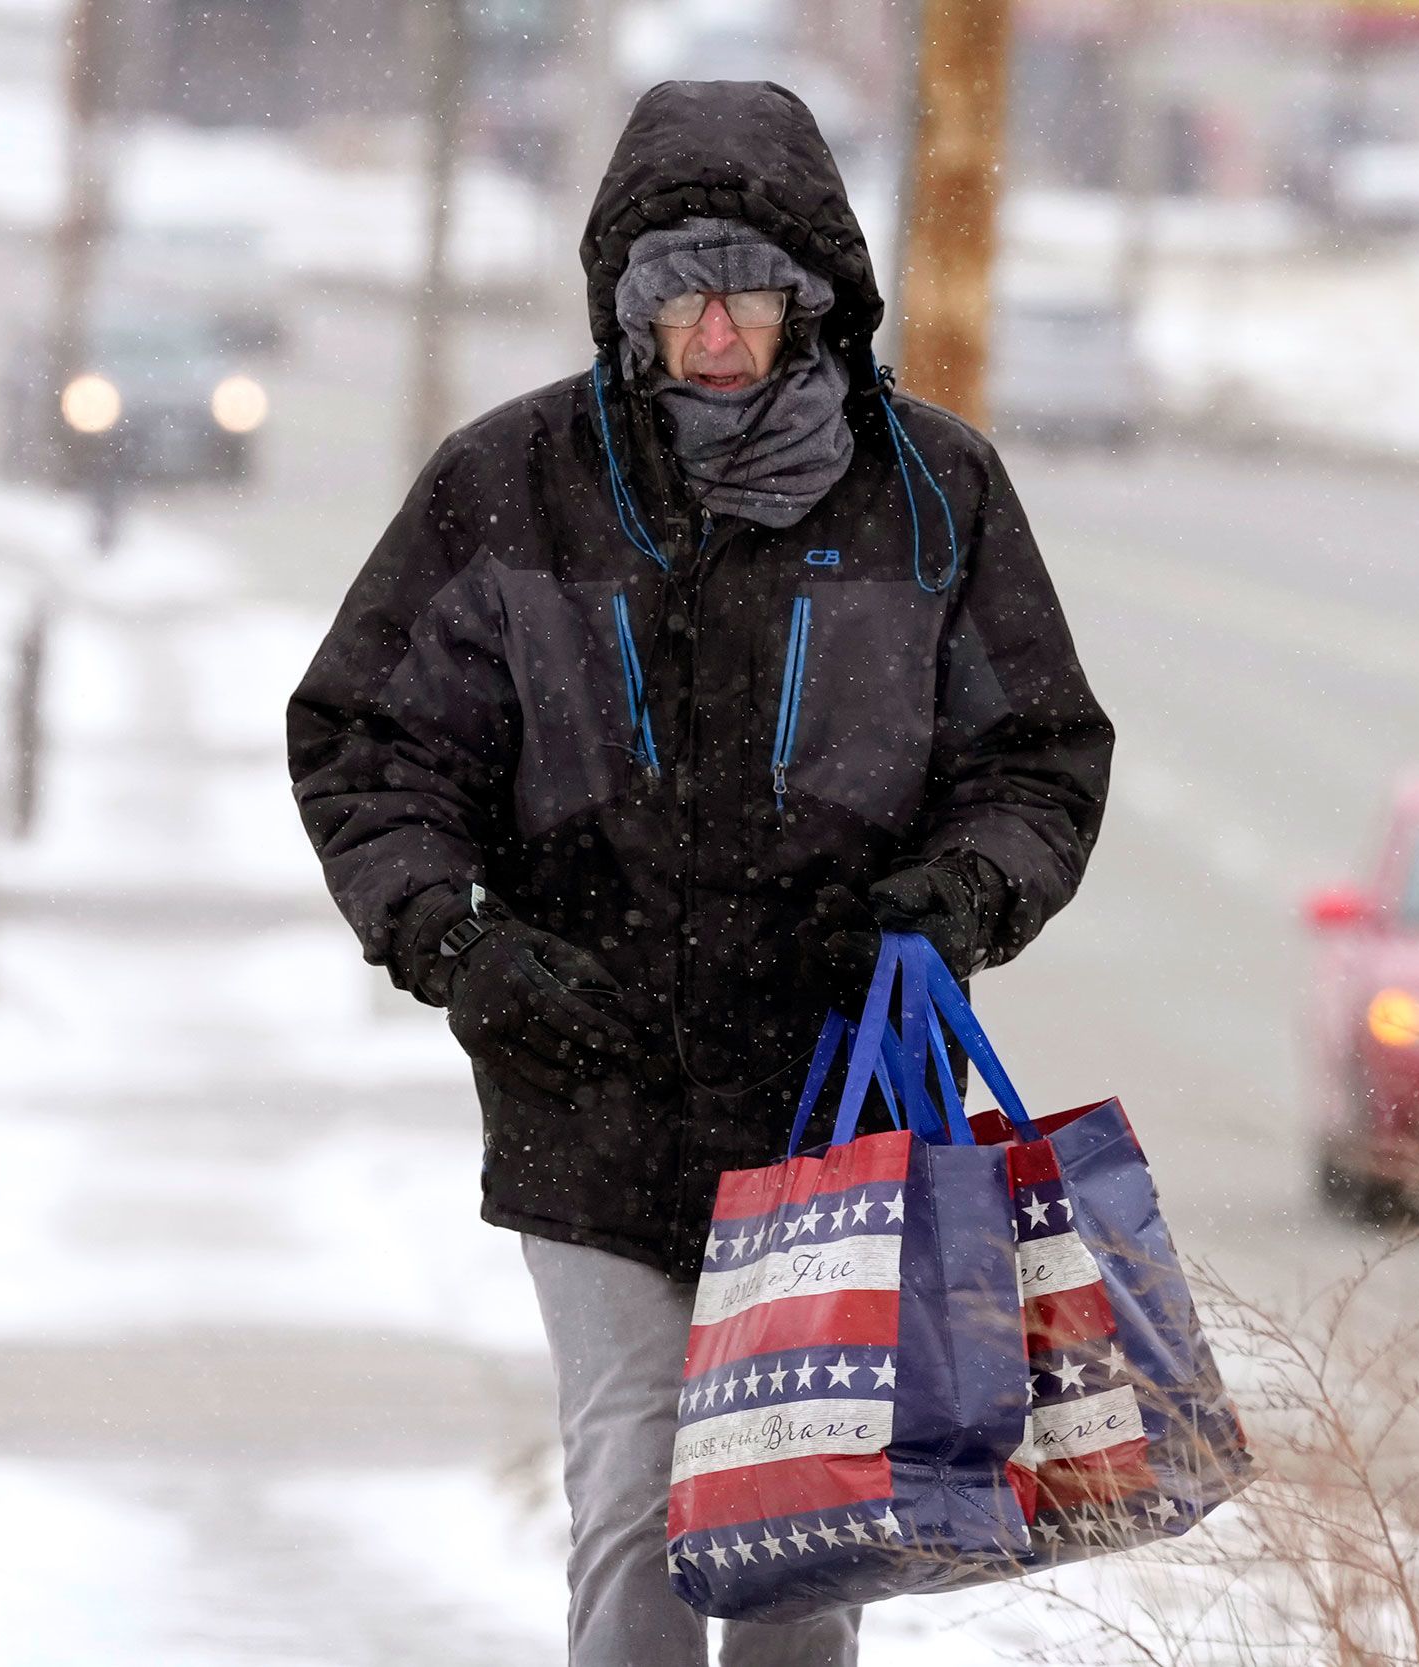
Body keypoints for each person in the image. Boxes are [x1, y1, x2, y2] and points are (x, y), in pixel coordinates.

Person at [286, 79, 1112, 1667]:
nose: (712, 331)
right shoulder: (510, 482)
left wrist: (959, 896)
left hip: (834, 1095)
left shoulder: (936, 496)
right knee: (649, 1509)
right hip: (584, 1083)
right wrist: (462, 944)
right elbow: (368, 741)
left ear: (812, 301)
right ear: (625, 307)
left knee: (803, 1540)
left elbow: (1038, 759)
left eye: (744, 292)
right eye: (674, 297)